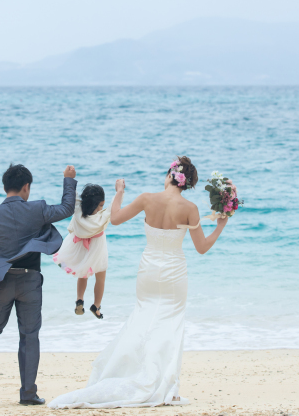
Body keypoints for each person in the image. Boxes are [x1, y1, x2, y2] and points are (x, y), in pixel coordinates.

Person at [48, 156, 231, 409]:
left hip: (148, 269)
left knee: (143, 318)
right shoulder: (190, 209)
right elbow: (201, 248)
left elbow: (115, 218)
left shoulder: (147, 198)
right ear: (186, 183)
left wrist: (119, 192)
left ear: (170, 175)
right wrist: (220, 226)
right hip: (175, 272)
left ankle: (129, 370)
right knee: (171, 324)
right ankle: (169, 387)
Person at [0, 163, 77, 406]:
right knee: (29, 335)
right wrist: (68, 180)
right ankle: (28, 394)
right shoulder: (37, 209)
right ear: (26, 187)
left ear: (4, 188)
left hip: (2, 282)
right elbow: (67, 208)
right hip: (30, 280)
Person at [52, 184, 111, 319]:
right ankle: (96, 306)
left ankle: (79, 300)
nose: (102, 208)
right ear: (97, 205)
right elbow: (114, 207)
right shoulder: (101, 217)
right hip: (98, 247)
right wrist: (120, 191)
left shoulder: (78, 211)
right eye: (101, 205)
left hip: (80, 247)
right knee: (101, 277)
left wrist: (69, 179)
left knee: (82, 272)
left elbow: (74, 195)